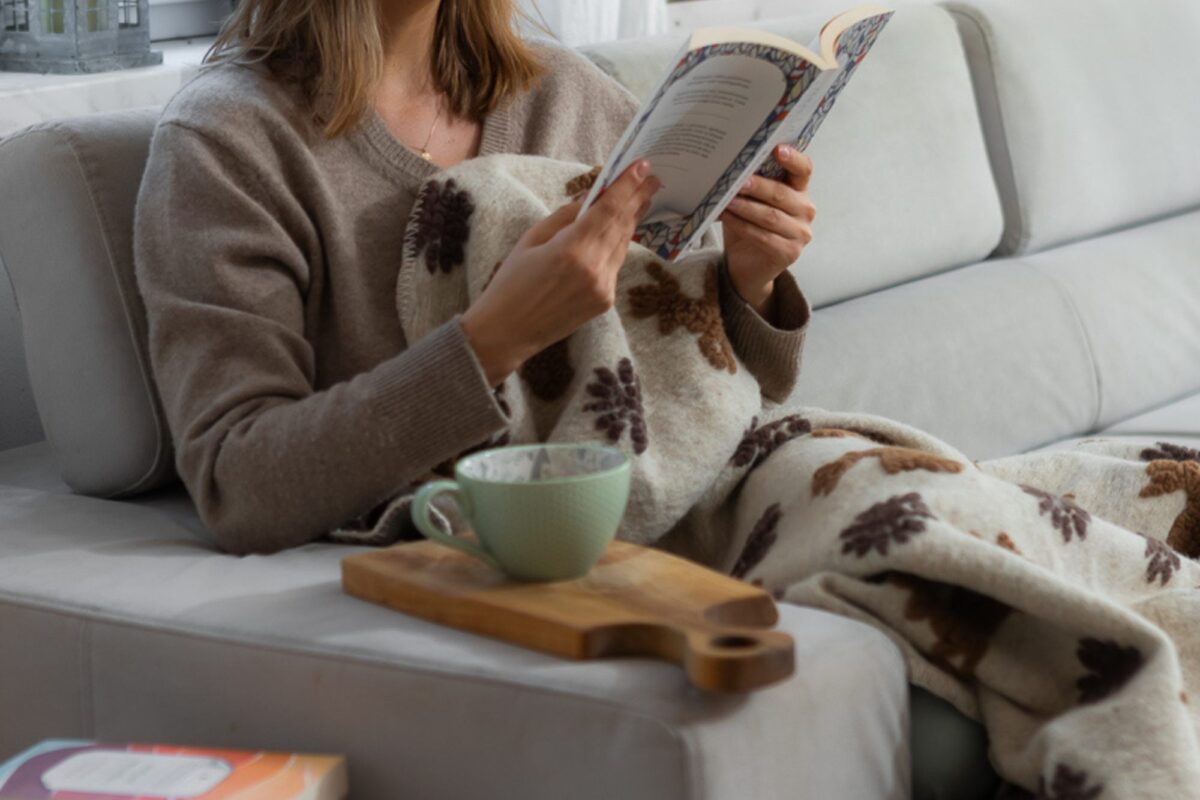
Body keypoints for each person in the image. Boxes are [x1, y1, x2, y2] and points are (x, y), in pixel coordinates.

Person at [134, 0, 818, 554]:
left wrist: (747, 281)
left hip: (695, 483)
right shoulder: (227, 142)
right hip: (526, 531)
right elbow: (238, 482)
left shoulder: (569, 96)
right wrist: (492, 340)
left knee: (893, 505)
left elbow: (693, 379)